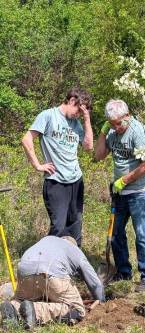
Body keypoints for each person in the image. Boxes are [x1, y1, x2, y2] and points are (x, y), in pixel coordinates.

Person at [95, 99, 145, 290]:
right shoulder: (112, 132)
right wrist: (104, 131)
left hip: (141, 192)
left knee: (142, 234)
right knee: (116, 234)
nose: (117, 127)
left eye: (119, 123)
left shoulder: (139, 132)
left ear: (127, 116)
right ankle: (123, 273)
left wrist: (124, 180)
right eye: (112, 124)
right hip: (120, 193)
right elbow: (98, 156)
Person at [22, 88, 93, 247]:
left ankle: (72, 266)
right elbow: (26, 140)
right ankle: (50, 266)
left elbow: (88, 146)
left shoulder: (76, 124)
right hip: (55, 181)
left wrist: (86, 119)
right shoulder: (48, 116)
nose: (78, 115)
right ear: (72, 101)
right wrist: (38, 165)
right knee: (59, 227)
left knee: (75, 226)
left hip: (76, 179)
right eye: (79, 111)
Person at [0, 236, 105, 329]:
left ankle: (13, 307)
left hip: (24, 271)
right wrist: (101, 300)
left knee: (21, 300)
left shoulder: (46, 240)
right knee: (77, 310)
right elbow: (94, 282)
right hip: (50, 272)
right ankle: (35, 310)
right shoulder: (73, 248)